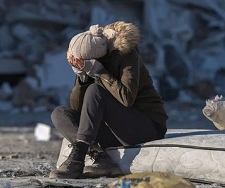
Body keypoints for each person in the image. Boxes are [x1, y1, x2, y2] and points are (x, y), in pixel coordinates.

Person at [49, 21, 168, 179]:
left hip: (146, 126)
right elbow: (78, 108)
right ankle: (101, 158)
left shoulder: (126, 54)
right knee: (59, 113)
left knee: (95, 90)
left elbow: (126, 98)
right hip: (115, 128)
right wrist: (82, 77)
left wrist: (100, 72)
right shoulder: (91, 63)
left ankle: (77, 160)